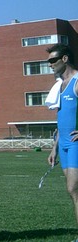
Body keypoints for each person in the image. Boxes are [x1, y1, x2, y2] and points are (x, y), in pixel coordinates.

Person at [46, 43, 78, 228]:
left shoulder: (76, 81)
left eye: (52, 60)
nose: (50, 64)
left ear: (64, 59)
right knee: (74, 192)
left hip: (75, 143)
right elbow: (61, 121)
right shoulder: (59, 86)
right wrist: (54, 148)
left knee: (73, 188)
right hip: (63, 145)